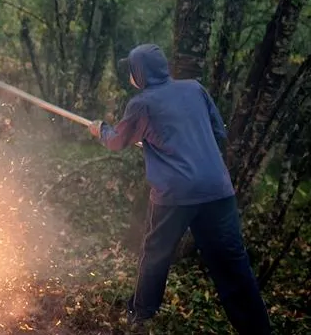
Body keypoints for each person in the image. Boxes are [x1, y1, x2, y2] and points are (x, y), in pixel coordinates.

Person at [87, 44, 271, 334]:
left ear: (141, 72)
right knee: (233, 263)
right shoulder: (194, 89)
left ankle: (141, 316)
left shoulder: (142, 103)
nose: (131, 76)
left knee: (156, 253)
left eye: (132, 70)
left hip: (176, 194)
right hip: (217, 188)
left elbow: (117, 141)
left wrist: (100, 129)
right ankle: (258, 329)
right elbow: (218, 132)